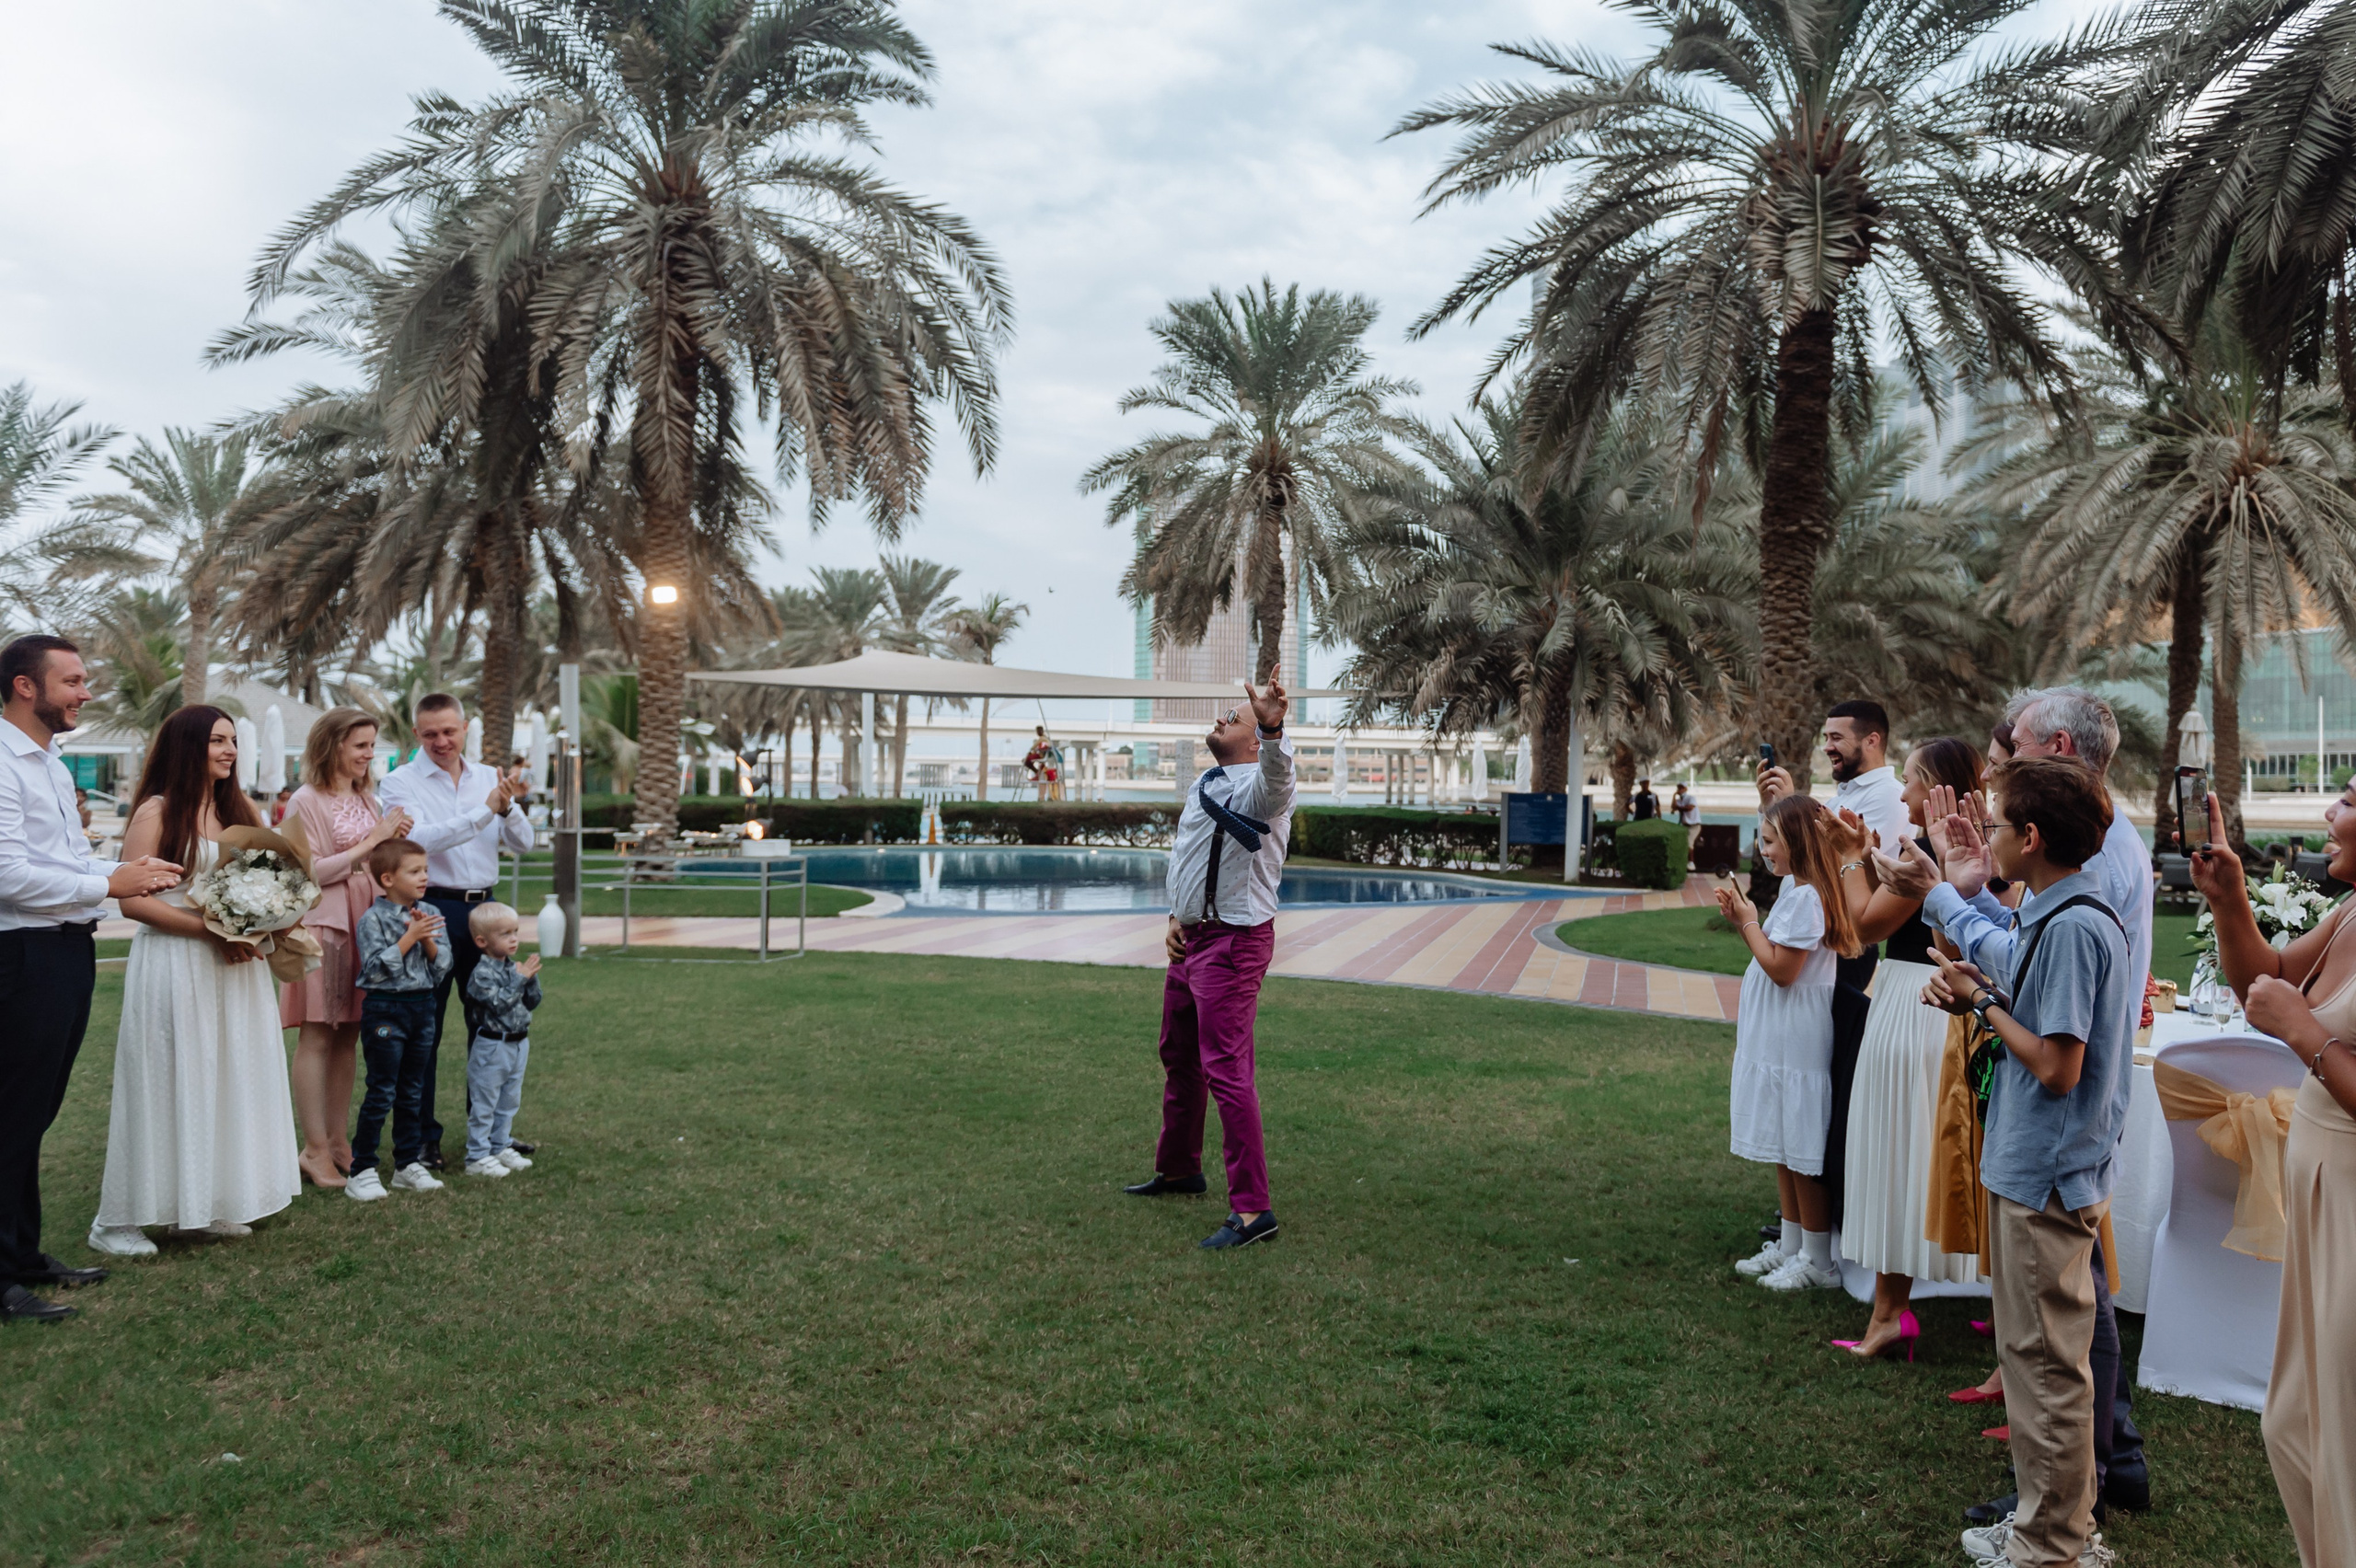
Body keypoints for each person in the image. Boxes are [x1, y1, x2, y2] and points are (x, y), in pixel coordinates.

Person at [1885, 687, 2154, 1520]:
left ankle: (2068, 1508)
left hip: (2054, 1146)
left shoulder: (2086, 887)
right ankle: (2078, 1491)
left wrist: (1981, 1003)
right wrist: (1954, 890)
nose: (1996, 780)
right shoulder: (2073, 868)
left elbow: (2051, 1034)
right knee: (2067, 1331)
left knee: (2055, 1353)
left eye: (2010, 773)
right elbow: (2016, 947)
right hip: (2049, 1145)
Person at [1918, 756, 2131, 1568]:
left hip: (2046, 1176)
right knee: (2038, 1360)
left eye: (2000, 824)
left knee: (2045, 1371)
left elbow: (2056, 1065)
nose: (1992, 836)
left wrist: (1977, 1001)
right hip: (2033, 1166)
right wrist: (1962, 895)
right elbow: (2012, 963)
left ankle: (2050, 1546)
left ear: (2032, 837)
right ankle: (2060, 1529)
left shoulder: (2074, 925)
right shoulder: (2058, 908)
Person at [2189, 782, 2356, 1568]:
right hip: (2321, 1192)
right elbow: (2265, 977)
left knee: (2346, 1435)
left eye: (2348, 800)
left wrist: (2308, 1038)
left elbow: (2287, 1013)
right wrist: (2229, 903)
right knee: (2293, 1421)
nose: (2329, 814)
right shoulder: (2353, 910)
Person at [0, 636, 182, 1322]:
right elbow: (6, 875)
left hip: (64, 950)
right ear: (26, 686)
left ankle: (22, 1255)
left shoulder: (46, 759)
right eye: (73, 681)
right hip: (21, 955)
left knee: (35, 1115)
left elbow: (61, 856)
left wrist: (120, 872)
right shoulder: (2, 762)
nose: (86, 692)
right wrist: (111, 882)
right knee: (12, 1116)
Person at [87, 707, 302, 1255]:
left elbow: (273, 879)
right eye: (216, 741)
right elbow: (131, 901)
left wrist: (270, 919)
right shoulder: (156, 812)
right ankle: (118, 1220)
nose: (229, 750)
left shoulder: (238, 808)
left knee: (227, 1078)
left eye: (233, 740)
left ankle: (205, 1205)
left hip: (235, 972)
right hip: (177, 963)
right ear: (186, 747)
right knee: (166, 1079)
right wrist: (213, 932)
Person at [1825, 737, 1988, 1359]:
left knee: (1902, 1150)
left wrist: (1846, 859)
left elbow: (1862, 926)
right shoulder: (1982, 848)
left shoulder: (1929, 852)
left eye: (1914, 780)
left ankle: (1891, 1316)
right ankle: (1993, 1314)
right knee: (1939, 1152)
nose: (1903, 793)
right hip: (1942, 998)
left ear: (1940, 785)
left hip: (1918, 1003)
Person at [1123, 671, 1294, 1251]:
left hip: (1233, 943)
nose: (1225, 717)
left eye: (1236, 717)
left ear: (1255, 740)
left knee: (1226, 1068)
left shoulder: (1261, 786)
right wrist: (1177, 915)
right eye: (1230, 712)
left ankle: (1253, 1211)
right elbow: (1191, 857)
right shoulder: (1209, 782)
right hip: (1193, 938)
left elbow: (1277, 778)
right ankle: (1179, 1169)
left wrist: (1272, 725)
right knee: (1178, 1055)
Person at [1761, 699, 1912, 1233]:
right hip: (1812, 943)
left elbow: (1859, 881)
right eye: (1825, 736)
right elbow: (1803, 870)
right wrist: (1785, 809)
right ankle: (1797, 1222)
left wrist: (1803, 826)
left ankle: (1821, 1228)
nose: (1827, 746)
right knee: (1794, 1088)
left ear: (1872, 740)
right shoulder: (1839, 796)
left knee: (1819, 1091)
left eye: (1837, 738)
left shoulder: (1892, 801)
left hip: (1845, 955)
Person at [376, 695, 532, 1170]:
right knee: (426, 1029)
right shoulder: (399, 782)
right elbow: (419, 840)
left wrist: (505, 809)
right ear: (416, 735)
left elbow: (524, 843)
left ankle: (489, 1135)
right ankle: (422, 1138)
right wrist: (484, 812)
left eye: (449, 731)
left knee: (492, 1025)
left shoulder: (489, 778)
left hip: (485, 909)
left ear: (465, 728)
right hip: (433, 908)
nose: (441, 742)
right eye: (430, 734)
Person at [1718, 794, 1862, 1292]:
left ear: (1797, 842)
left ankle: (1818, 1260)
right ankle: (1791, 1243)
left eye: (1771, 840)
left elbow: (1782, 970)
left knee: (1800, 1143)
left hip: (1796, 1031)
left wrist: (1746, 922)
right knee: (1784, 1138)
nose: (1763, 851)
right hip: (1776, 1032)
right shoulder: (1794, 888)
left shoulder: (1807, 897)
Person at [280, 709, 411, 1190]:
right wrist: (371, 842)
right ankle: (313, 1149)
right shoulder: (306, 799)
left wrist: (390, 839)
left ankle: (338, 1142)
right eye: (360, 745)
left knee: (351, 1032)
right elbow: (305, 871)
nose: (369, 755)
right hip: (326, 921)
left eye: (371, 745)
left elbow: (373, 859)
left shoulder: (366, 796)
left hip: (368, 922)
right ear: (333, 745)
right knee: (317, 1032)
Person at [345, 839, 454, 1202]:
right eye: (415, 871)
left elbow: (442, 969)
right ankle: (361, 1170)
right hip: (385, 1011)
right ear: (388, 878)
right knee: (382, 1092)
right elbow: (374, 971)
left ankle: (407, 1164)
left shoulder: (432, 912)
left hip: (423, 1008)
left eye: (425, 869)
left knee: (413, 1090)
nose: (424, 877)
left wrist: (427, 941)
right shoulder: (372, 919)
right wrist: (409, 938)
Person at [461, 902, 542, 1180]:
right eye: (505, 934)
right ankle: (477, 1155)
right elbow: (498, 1004)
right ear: (482, 941)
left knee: (509, 1100)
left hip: (519, 1043)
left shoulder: (513, 968)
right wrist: (520, 980)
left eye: (515, 932)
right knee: (485, 1102)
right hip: (493, 1045)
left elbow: (531, 1003)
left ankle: (500, 1145)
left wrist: (531, 980)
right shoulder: (481, 974)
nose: (514, 938)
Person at [1674, 782, 1702, 861]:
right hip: (1685, 826)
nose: (1680, 790)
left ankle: (1691, 862)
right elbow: (1673, 806)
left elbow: (1690, 807)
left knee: (1689, 843)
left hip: (1694, 826)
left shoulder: (1691, 798)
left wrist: (1679, 808)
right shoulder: (1679, 800)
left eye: (1681, 788)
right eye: (1679, 788)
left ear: (1685, 789)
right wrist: (1674, 795)